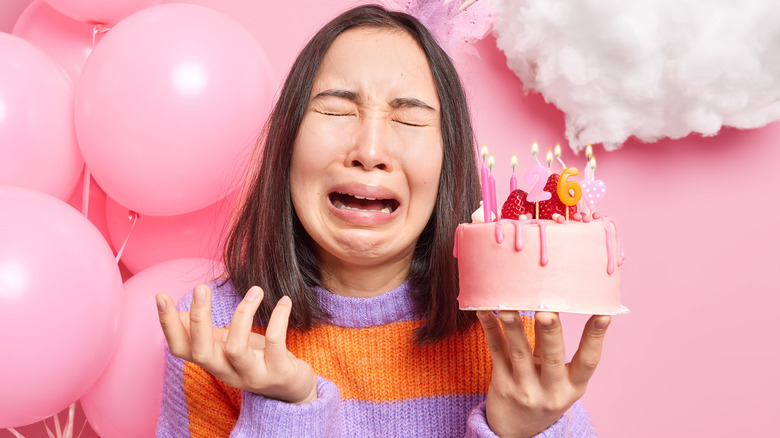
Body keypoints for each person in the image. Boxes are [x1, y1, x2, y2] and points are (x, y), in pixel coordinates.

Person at [154, 4, 611, 437]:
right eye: (336, 110)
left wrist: (517, 431)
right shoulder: (213, 333)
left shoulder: (509, 325)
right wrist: (284, 408)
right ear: (287, 142)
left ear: (448, 161)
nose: (369, 152)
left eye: (409, 120)